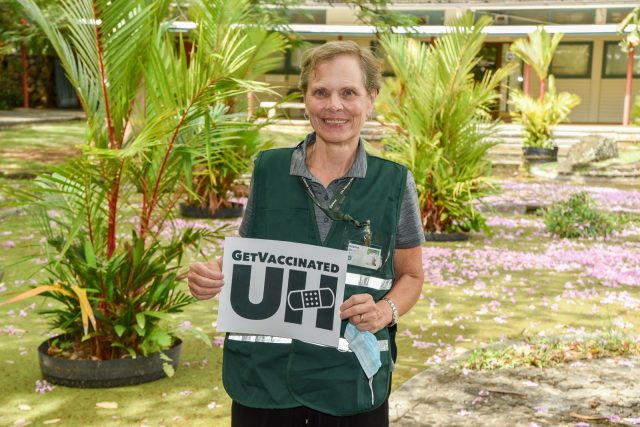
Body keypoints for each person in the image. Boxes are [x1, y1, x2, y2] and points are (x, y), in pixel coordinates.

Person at [187, 40, 425, 427]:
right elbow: (249, 255)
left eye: (349, 92)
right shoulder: (268, 170)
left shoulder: (394, 183)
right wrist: (213, 275)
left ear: (371, 99)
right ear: (306, 98)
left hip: (348, 383)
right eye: (321, 92)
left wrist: (385, 310)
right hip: (264, 383)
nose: (334, 106)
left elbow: (411, 275)